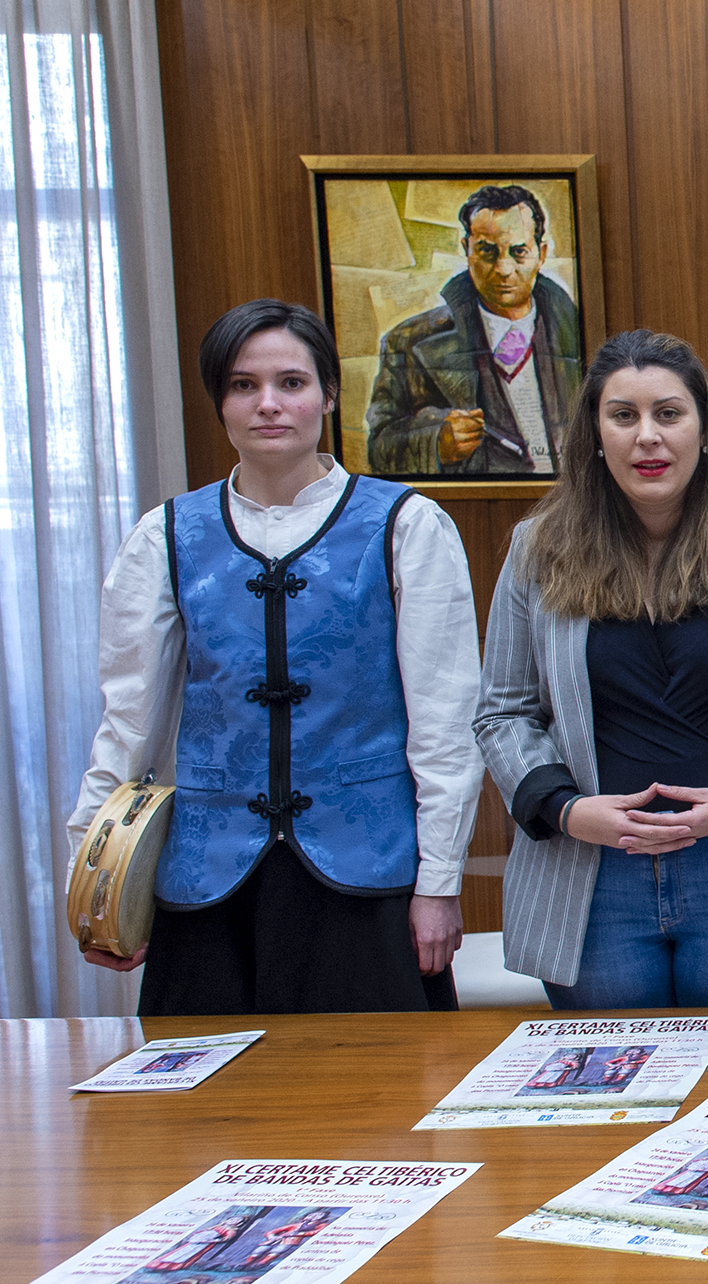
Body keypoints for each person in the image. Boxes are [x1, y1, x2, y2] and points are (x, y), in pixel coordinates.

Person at [69, 299, 479, 1012]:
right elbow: (128, 723)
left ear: (328, 394)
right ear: (219, 402)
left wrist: (439, 883)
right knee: (204, 1084)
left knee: (372, 1080)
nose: (268, 404)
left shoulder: (407, 525)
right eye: (242, 385)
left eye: (291, 382)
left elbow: (445, 725)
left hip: (367, 871)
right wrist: (96, 882)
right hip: (206, 879)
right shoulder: (164, 536)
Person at [476, 329, 708, 1008]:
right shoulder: (537, 549)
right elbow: (503, 711)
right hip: (592, 879)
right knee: (614, 1076)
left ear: (704, 432)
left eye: (669, 413)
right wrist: (567, 811)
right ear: (596, 436)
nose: (646, 436)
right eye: (623, 415)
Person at [366, 183, 586, 476]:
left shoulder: (583, 331)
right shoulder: (409, 341)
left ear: (541, 253)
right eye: (487, 251)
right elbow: (378, 448)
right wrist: (435, 442)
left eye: (519, 252)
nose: (503, 268)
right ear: (466, 250)